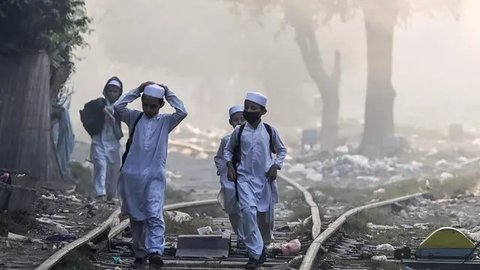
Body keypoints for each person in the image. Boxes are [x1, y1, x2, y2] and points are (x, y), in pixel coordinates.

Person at [114, 82, 187, 267]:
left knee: (154, 213)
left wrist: (169, 92)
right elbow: (118, 106)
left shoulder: (165, 122)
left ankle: (155, 251)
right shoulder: (133, 117)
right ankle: (140, 253)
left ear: (161, 105)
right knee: (136, 218)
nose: (148, 109)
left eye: (153, 106)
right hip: (132, 176)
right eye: (145, 105)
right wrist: (137, 91)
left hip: (154, 175)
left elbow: (182, 112)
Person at [224, 92, 287, 269]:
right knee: (248, 213)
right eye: (247, 107)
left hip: (264, 179)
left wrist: (276, 166)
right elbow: (228, 151)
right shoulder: (239, 131)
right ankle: (256, 254)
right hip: (244, 179)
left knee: (264, 220)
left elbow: (281, 150)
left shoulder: (269, 130)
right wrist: (229, 165)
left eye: (254, 108)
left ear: (263, 111)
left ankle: (263, 245)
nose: (249, 111)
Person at [214, 105, 246, 249]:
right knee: (233, 208)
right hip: (230, 179)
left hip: (248, 178)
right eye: (235, 120)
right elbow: (219, 158)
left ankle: (249, 236)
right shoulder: (226, 140)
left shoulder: (254, 138)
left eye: (242, 119)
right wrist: (225, 171)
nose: (239, 123)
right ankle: (240, 236)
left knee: (248, 208)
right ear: (230, 122)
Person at [88, 77, 123, 201]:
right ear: (106, 91)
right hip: (99, 141)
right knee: (101, 166)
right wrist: (107, 113)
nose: (112, 94)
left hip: (113, 143)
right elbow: (95, 105)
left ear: (119, 93)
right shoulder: (100, 103)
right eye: (110, 91)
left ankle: (111, 194)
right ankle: (99, 193)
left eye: (115, 91)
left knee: (114, 170)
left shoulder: (120, 107)